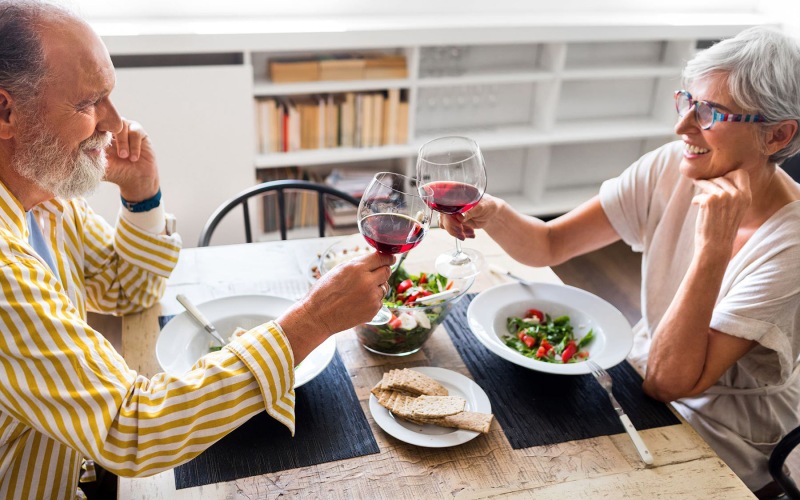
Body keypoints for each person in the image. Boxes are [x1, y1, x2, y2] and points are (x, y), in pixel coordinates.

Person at [0, 1, 393, 497]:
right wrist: (312, 321)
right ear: (5, 112)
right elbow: (132, 428)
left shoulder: (43, 198)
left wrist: (143, 195)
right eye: (88, 103)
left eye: (110, 96)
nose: (114, 123)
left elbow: (125, 293)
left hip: (78, 466)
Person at [442, 26, 800, 495]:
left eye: (710, 112)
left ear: (777, 136)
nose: (683, 126)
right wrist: (495, 214)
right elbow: (550, 244)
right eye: (686, 101)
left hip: (724, 430)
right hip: (641, 370)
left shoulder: (791, 246)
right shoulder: (673, 165)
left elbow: (670, 383)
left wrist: (713, 245)